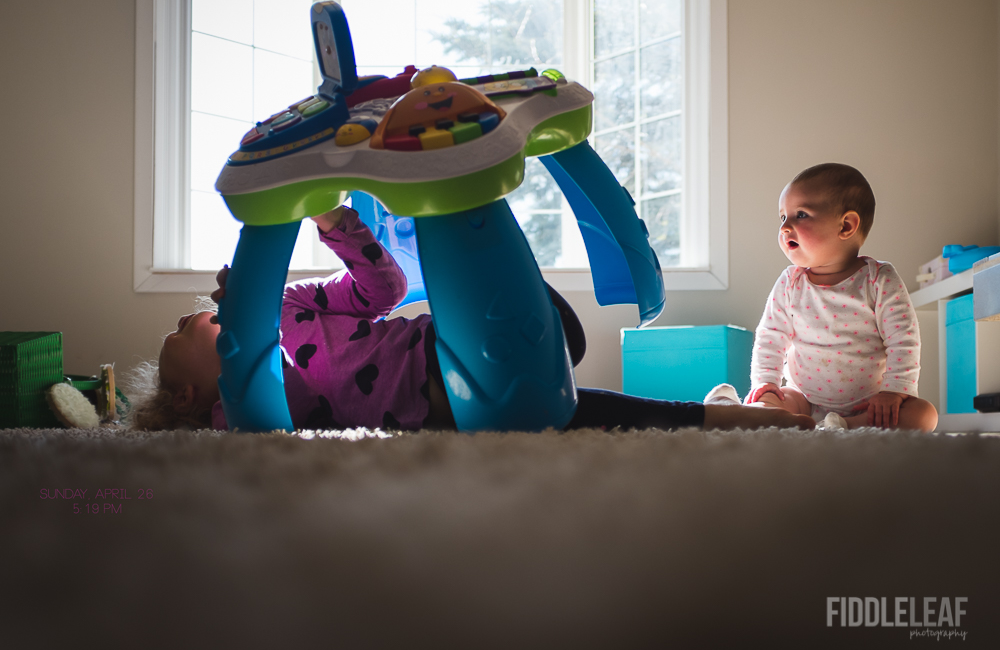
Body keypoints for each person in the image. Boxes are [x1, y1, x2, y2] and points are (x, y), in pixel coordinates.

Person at [129, 205, 815, 433]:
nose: (197, 315)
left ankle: (449, 191)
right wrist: (245, 332)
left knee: (544, 351)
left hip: (454, 343)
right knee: (602, 413)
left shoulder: (291, 305)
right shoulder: (238, 413)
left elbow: (385, 284)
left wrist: (334, 223)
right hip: (447, 412)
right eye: (185, 330)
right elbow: (267, 427)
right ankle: (743, 417)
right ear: (192, 393)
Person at [723, 163, 937, 431]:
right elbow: (770, 336)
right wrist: (766, 381)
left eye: (800, 215)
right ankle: (733, 411)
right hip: (804, 399)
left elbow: (903, 340)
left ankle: (842, 425)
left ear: (846, 225)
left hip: (869, 405)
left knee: (923, 415)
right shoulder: (791, 282)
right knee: (770, 400)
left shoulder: (878, 279)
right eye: (782, 217)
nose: (785, 227)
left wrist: (894, 391)